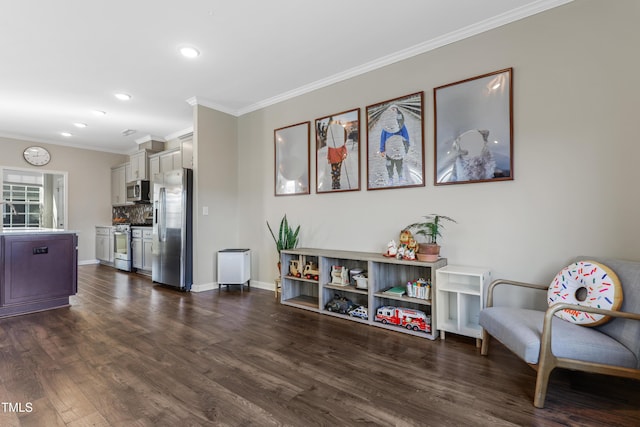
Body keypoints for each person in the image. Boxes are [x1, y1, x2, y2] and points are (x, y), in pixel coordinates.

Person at [379, 105, 410, 184]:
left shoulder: (401, 124)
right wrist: (382, 149)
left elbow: (405, 135)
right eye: (391, 110)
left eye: (394, 110)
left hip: (398, 148)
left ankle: (400, 177)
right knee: (389, 164)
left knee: (399, 163)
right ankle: (390, 178)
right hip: (389, 149)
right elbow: (383, 137)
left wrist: (406, 146)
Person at [325, 118, 348, 189]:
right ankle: (334, 182)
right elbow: (329, 149)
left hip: (339, 157)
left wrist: (344, 154)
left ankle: (337, 182)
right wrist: (328, 158)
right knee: (334, 171)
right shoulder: (331, 141)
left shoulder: (340, 140)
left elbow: (344, 148)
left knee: (337, 171)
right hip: (333, 158)